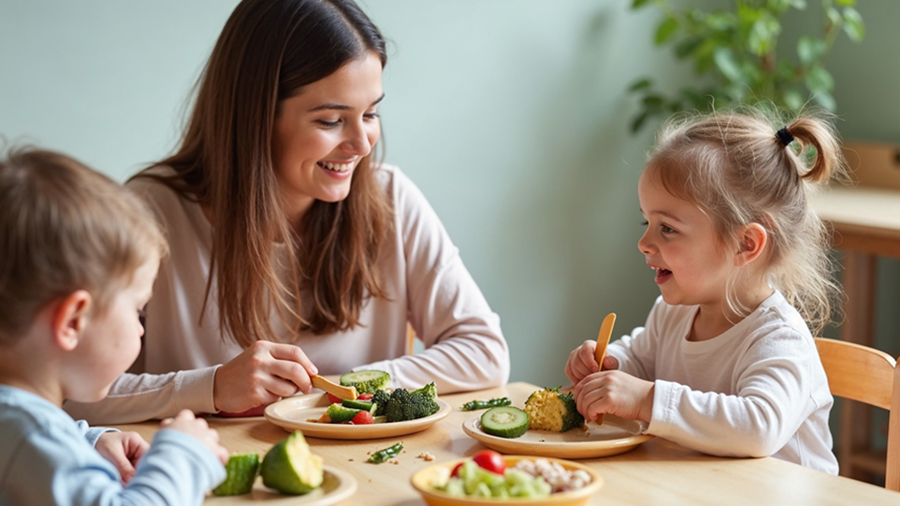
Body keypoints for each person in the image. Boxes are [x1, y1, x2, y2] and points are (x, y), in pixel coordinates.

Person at [65, 0, 509, 424]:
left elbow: (485, 352)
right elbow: (63, 391)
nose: (362, 143)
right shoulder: (150, 213)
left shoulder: (391, 198)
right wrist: (211, 387)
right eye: (331, 120)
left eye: (370, 113)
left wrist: (342, 388)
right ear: (256, 117)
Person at [565, 110, 844, 474]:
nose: (644, 243)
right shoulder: (673, 313)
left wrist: (644, 399)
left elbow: (757, 427)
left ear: (745, 244)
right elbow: (641, 360)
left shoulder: (780, 339)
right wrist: (609, 366)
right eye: (646, 222)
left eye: (667, 228)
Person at [0, 147, 227, 504]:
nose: (141, 328)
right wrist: (182, 456)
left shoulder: (19, 424)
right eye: (138, 311)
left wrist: (87, 442)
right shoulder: (31, 435)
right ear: (73, 320)